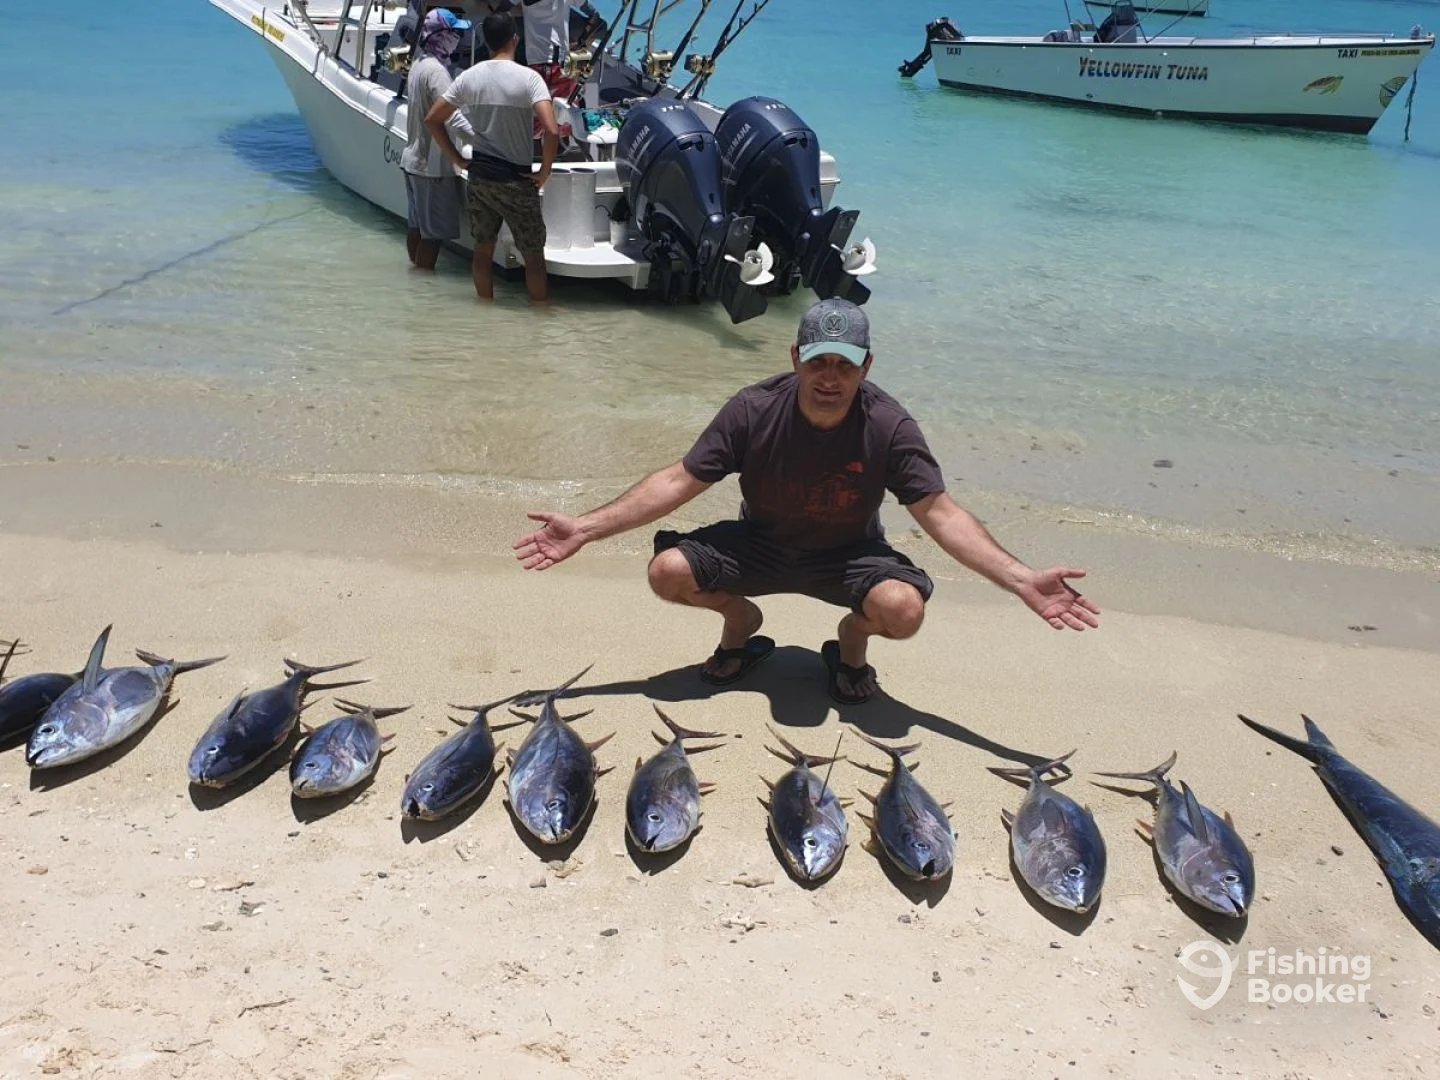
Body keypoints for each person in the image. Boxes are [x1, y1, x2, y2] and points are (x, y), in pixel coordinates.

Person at [512, 299, 1102, 705]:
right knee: (666, 572)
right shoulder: (753, 410)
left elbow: (940, 514)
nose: (829, 378)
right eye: (818, 361)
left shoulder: (889, 426)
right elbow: (679, 480)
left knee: (903, 610)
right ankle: (740, 622)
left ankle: (851, 643)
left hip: (848, 556)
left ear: (866, 366)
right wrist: (586, 528)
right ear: (795, 357)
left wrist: (1021, 579)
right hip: (759, 546)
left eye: (844, 364)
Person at [424, 13, 559, 303]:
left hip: (481, 176)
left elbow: (433, 119)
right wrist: (545, 171)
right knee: (533, 255)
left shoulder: (470, 77)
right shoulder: (529, 79)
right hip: (516, 179)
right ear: (515, 40)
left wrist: (457, 159)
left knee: (483, 249)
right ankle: (539, 314)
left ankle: (484, 307)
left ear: (486, 42)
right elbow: (551, 130)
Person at [400, 9, 474, 270]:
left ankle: (413, 274)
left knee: (416, 227)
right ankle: (422, 282)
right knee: (432, 238)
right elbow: (452, 117)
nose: (458, 39)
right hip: (431, 168)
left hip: (412, 161)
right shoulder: (437, 72)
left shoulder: (418, 64)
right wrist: (481, 140)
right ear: (440, 35)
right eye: (454, 33)